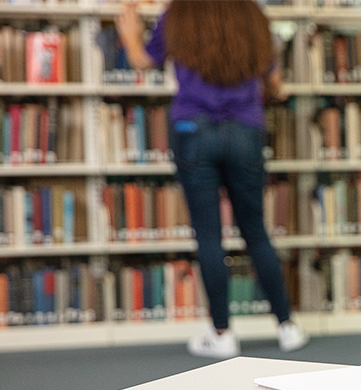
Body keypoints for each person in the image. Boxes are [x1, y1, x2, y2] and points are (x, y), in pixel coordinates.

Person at [115, 0, 308, 358]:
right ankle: (287, 327)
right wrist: (276, 91)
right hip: (246, 129)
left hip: (193, 129)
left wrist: (129, 35)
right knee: (255, 229)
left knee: (208, 234)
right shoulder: (253, 16)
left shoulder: (179, 14)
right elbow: (275, 82)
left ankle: (222, 334)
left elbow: (144, 61)